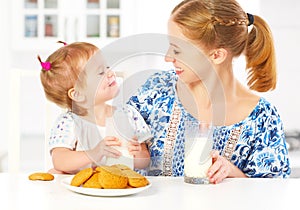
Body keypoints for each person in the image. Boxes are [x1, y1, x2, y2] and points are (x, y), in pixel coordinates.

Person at [127, 0, 290, 183]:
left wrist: (231, 172)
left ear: (217, 55)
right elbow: (113, 137)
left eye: (177, 50)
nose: (167, 57)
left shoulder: (262, 119)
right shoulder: (157, 90)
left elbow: (274, 196)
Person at [39, 41, 151, 174]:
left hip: (119, 185)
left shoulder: (128, 114)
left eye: (107, 67)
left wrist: (138, 153)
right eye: (100, 72)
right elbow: (60, 161)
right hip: (81, 190)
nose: (110, 73)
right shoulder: (69, 122)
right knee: (55, 173)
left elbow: (144, 163)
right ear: (78, 94)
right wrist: (92, 154)